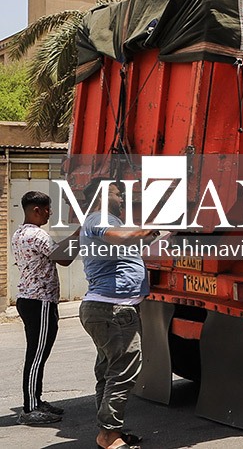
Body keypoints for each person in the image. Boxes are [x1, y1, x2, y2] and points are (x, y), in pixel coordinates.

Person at [79, 179, 168, 449]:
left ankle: (109, 432)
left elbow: (130, 244)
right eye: (118, 194)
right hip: (113, 310)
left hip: (107, 309)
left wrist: (159, 232)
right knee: (121, 373)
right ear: (103, 195)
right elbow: (123, 238)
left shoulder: (106, 221)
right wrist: (151, 224)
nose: (122, 199)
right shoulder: (99, 218)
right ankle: (108, 436)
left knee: (109, 372)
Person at [11, 190, 75, 426]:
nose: (50, 213)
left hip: (30, 300)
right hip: (40, 301)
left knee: (38, 353)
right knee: (37, 356)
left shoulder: (20, 233)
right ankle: (30, 409)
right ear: (36, 210)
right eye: (48, 209)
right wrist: (79, 235)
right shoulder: (37, 235)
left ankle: (36, 401)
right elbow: (64, 258)